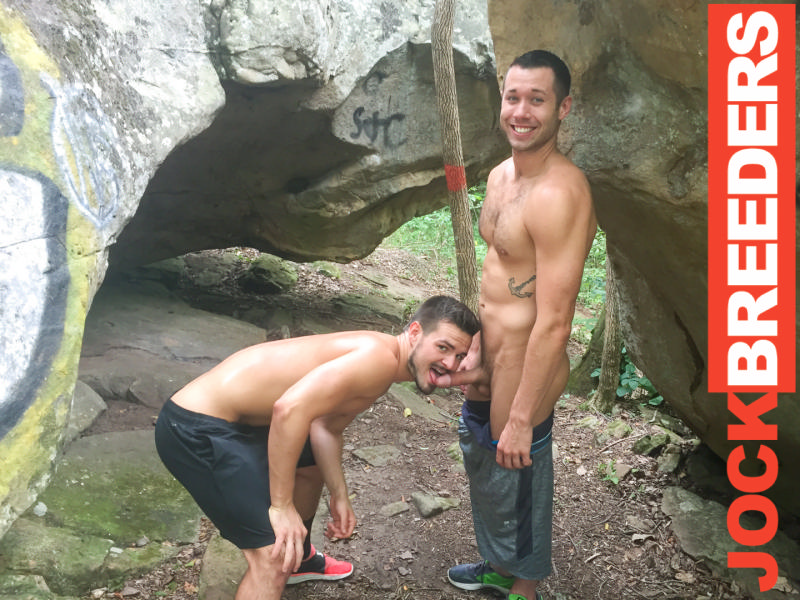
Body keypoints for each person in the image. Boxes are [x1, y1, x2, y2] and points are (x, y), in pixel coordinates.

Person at [154, 295, 479, 600]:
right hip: (195, 428)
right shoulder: (378, 360)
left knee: (309, 460)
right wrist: (281, 507)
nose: (450, 363)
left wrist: (339, 494)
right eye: (443, 347)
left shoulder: (385, 361)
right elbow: (288, 410)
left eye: (460, 356)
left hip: (239, 423)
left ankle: (301, 561)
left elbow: (324, 428)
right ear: (415, 332)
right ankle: (284, 561)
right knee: (273, 558)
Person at [442, 50, 597, 600]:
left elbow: (554, 322)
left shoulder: (560, 194)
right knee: (486, 463)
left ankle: (524, 586)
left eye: (537, 100)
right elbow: (499, 276)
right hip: (490, 353)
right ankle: (496, 565)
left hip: (526, 363)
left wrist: (523, 417)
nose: (521, 112)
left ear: (563, 108)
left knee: (520, 475)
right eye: (513, 97)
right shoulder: (499, 177)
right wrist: (475, 345)